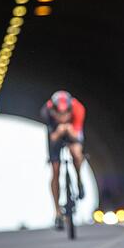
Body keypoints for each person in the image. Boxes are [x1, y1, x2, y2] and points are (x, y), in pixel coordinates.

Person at [41, 90, 86, 230]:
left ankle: (79, 180)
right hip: (55, 132)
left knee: (77, 154)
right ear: (53, 111)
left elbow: (77, 136)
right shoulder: (46, 111)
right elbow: (52, 138)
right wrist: (60, 130)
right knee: (55, 170)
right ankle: (57, 211)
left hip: (72, 131)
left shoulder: (78, 109)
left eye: (65, 113)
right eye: (59, 114)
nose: (62, 117)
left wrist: (68, 128)